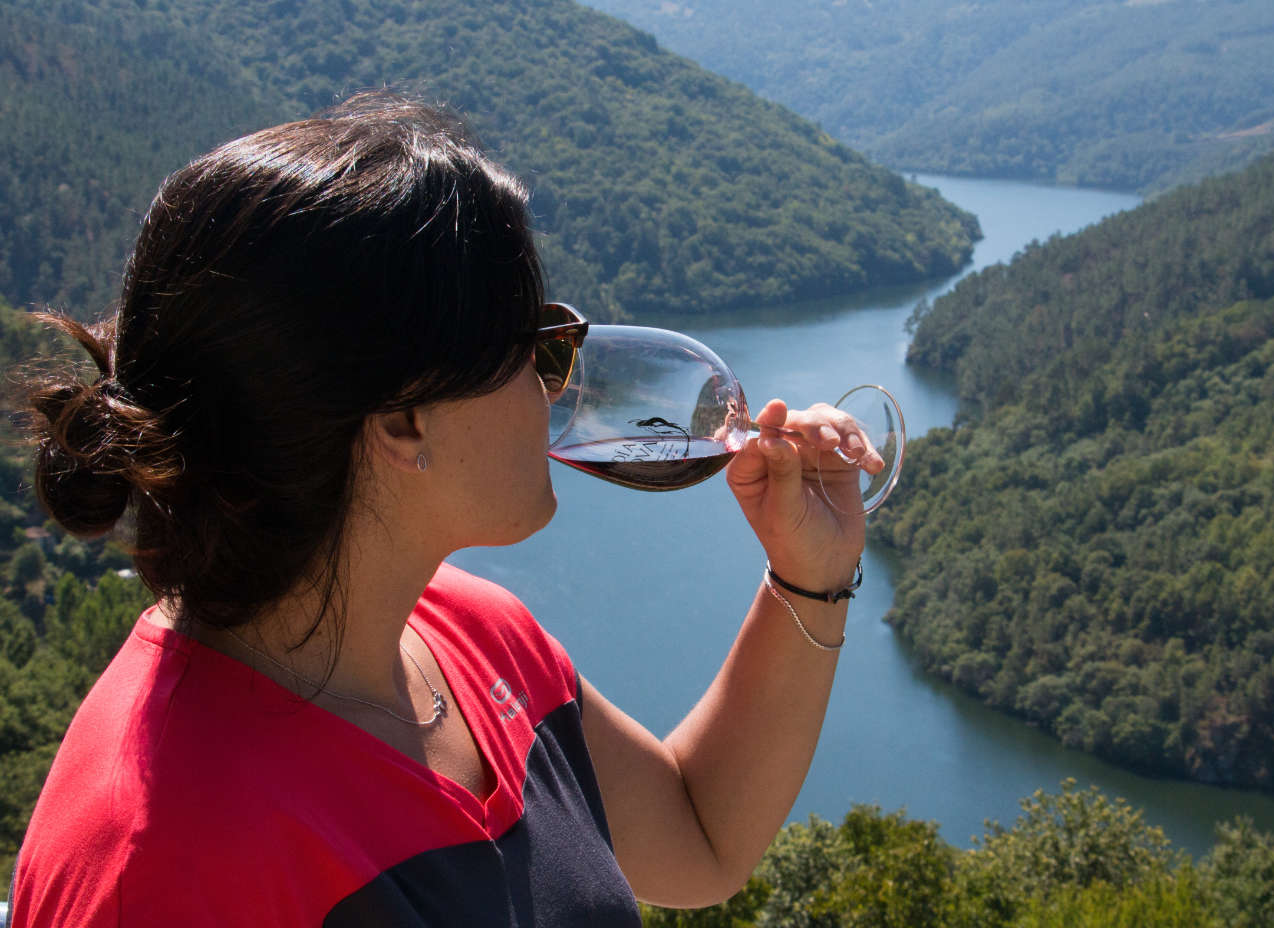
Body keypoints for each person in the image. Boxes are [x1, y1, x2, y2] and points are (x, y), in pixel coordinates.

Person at [8, 92, 872, 926]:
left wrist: (810, 578)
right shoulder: (158, 863)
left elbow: (699, 835)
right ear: (404, 420)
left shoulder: (473, 635)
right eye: (530, 348)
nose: (557, 384)